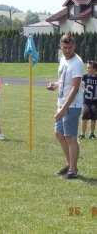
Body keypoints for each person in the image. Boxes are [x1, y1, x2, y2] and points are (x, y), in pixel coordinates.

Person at [48, 34, 83, 180]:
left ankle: (73, 172)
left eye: (70, 48)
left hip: (72, 106)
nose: (67, 51)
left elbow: (75, 89)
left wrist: (63, 110)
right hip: (62, 103)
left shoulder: (77, 63)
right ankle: (69, 165)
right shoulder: (63, 59)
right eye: (65, 48)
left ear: (74, 46)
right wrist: (56, 85)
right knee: (59, 134)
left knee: (70, 137)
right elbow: (64, 79)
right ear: (60, 47)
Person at [78, 60, 97, 140]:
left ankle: (91, 134)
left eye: (89, 68)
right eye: (87, 68)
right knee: (84, 117)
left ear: (95, 69)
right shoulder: (85, 76)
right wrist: (82, 87)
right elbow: (77, 82)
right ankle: (82, 134)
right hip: (86, 101)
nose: (87, 69)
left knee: (93, 118)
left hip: (95, 102)